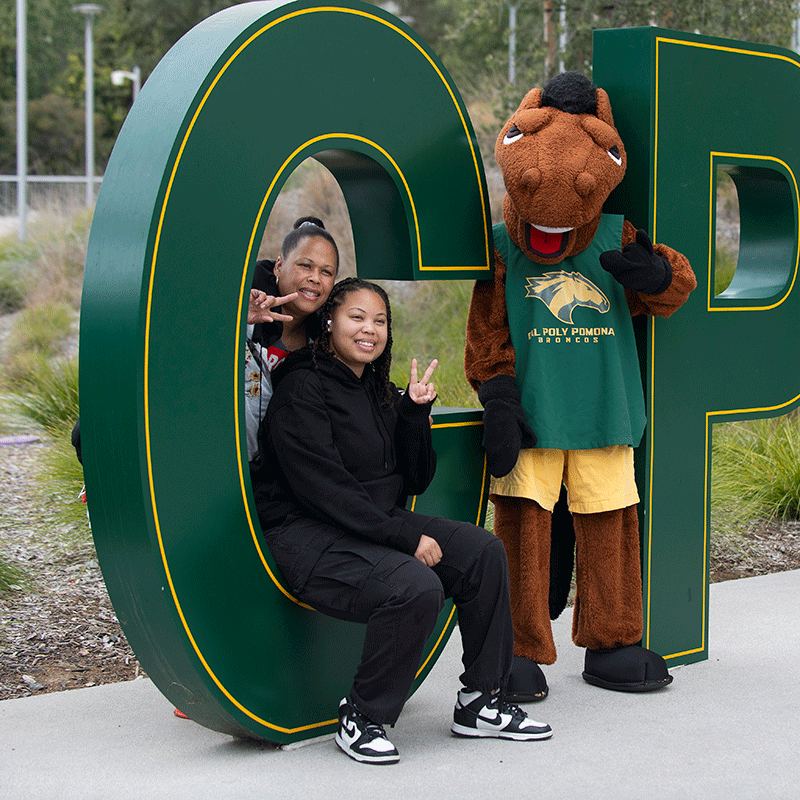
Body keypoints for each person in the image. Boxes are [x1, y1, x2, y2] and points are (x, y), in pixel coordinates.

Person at [256, 277, 553, 764]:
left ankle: (481, 700)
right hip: (306, 537)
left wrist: (414, 413)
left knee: (483, 553)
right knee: (415, 585)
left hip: (367, 529)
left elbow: (415, 478)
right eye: (357, 317)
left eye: (380, 320)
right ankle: (362, 716)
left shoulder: (376, 389)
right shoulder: (301, 386)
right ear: (329, 322)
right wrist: (404, 534)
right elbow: (324, 491)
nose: (369, 330)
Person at [244, 215, 339, 460]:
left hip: (278, 475)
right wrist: (237, 319)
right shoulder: (242, 309)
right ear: (278, 266)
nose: (315, 278)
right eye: (305, 266)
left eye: (326, 272)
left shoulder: (324, 341)